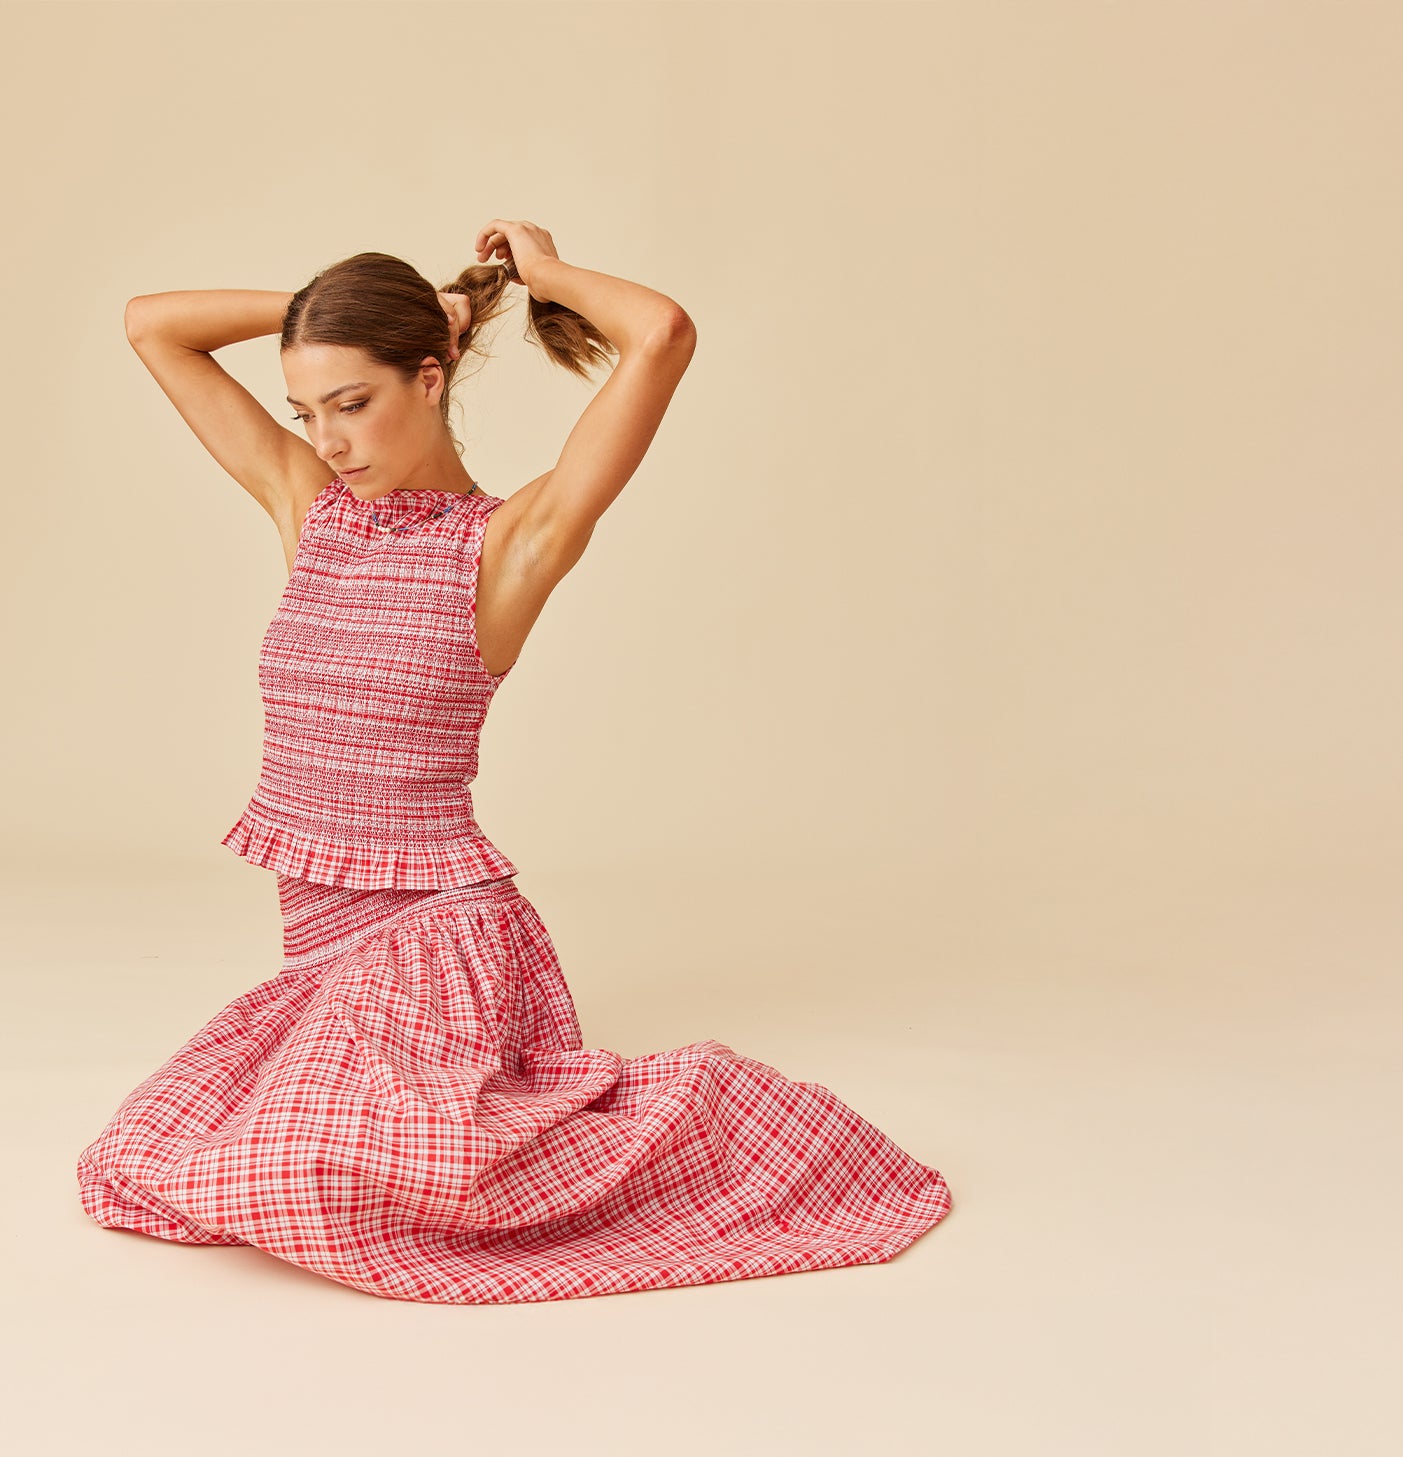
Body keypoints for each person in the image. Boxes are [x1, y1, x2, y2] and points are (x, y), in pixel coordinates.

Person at [75, 220, 954, 1304]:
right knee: (145, 1155)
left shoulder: (505, 546)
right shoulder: (312, 513)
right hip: (320, 953)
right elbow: (152, 326)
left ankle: (716, 1128)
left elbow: (662, 333)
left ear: (429, 378)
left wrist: (543, 275)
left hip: (437, 938)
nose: (329, 439)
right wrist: (353, 311)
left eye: (353, 401)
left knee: (298, 1175)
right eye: (307, 412)